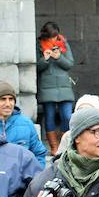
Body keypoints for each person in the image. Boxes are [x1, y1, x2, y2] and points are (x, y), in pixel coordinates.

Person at [36, 20, 75, 155]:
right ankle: (54, 147)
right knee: (50, 116)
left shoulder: (63, 43)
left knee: (67, 116)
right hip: (47, 86)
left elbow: (69, 64)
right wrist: (45, 59)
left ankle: (63, 143)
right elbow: (36, 66)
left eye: (55, 36)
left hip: (64, 86)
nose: (53, 39)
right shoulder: (39, 44)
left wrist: (59, 57)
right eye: (51, 37)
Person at [0, 81, 48, 166]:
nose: (8, 104)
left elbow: (39, 153)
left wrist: (36, 176)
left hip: (21, 177)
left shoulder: (26, 124)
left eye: (11, 99)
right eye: (3, 99)